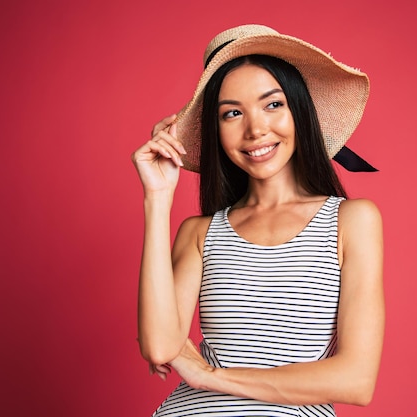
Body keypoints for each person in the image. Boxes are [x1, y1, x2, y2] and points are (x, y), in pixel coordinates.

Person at [131, 24, 384, 417]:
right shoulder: (200, 232)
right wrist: (157, 196)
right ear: (216, 131)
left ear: (299, 110)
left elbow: (355, 380)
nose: (255, 129)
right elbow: (161, 347)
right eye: (232, 113)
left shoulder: (352, 221)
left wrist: (209, 377)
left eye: (272, 104)